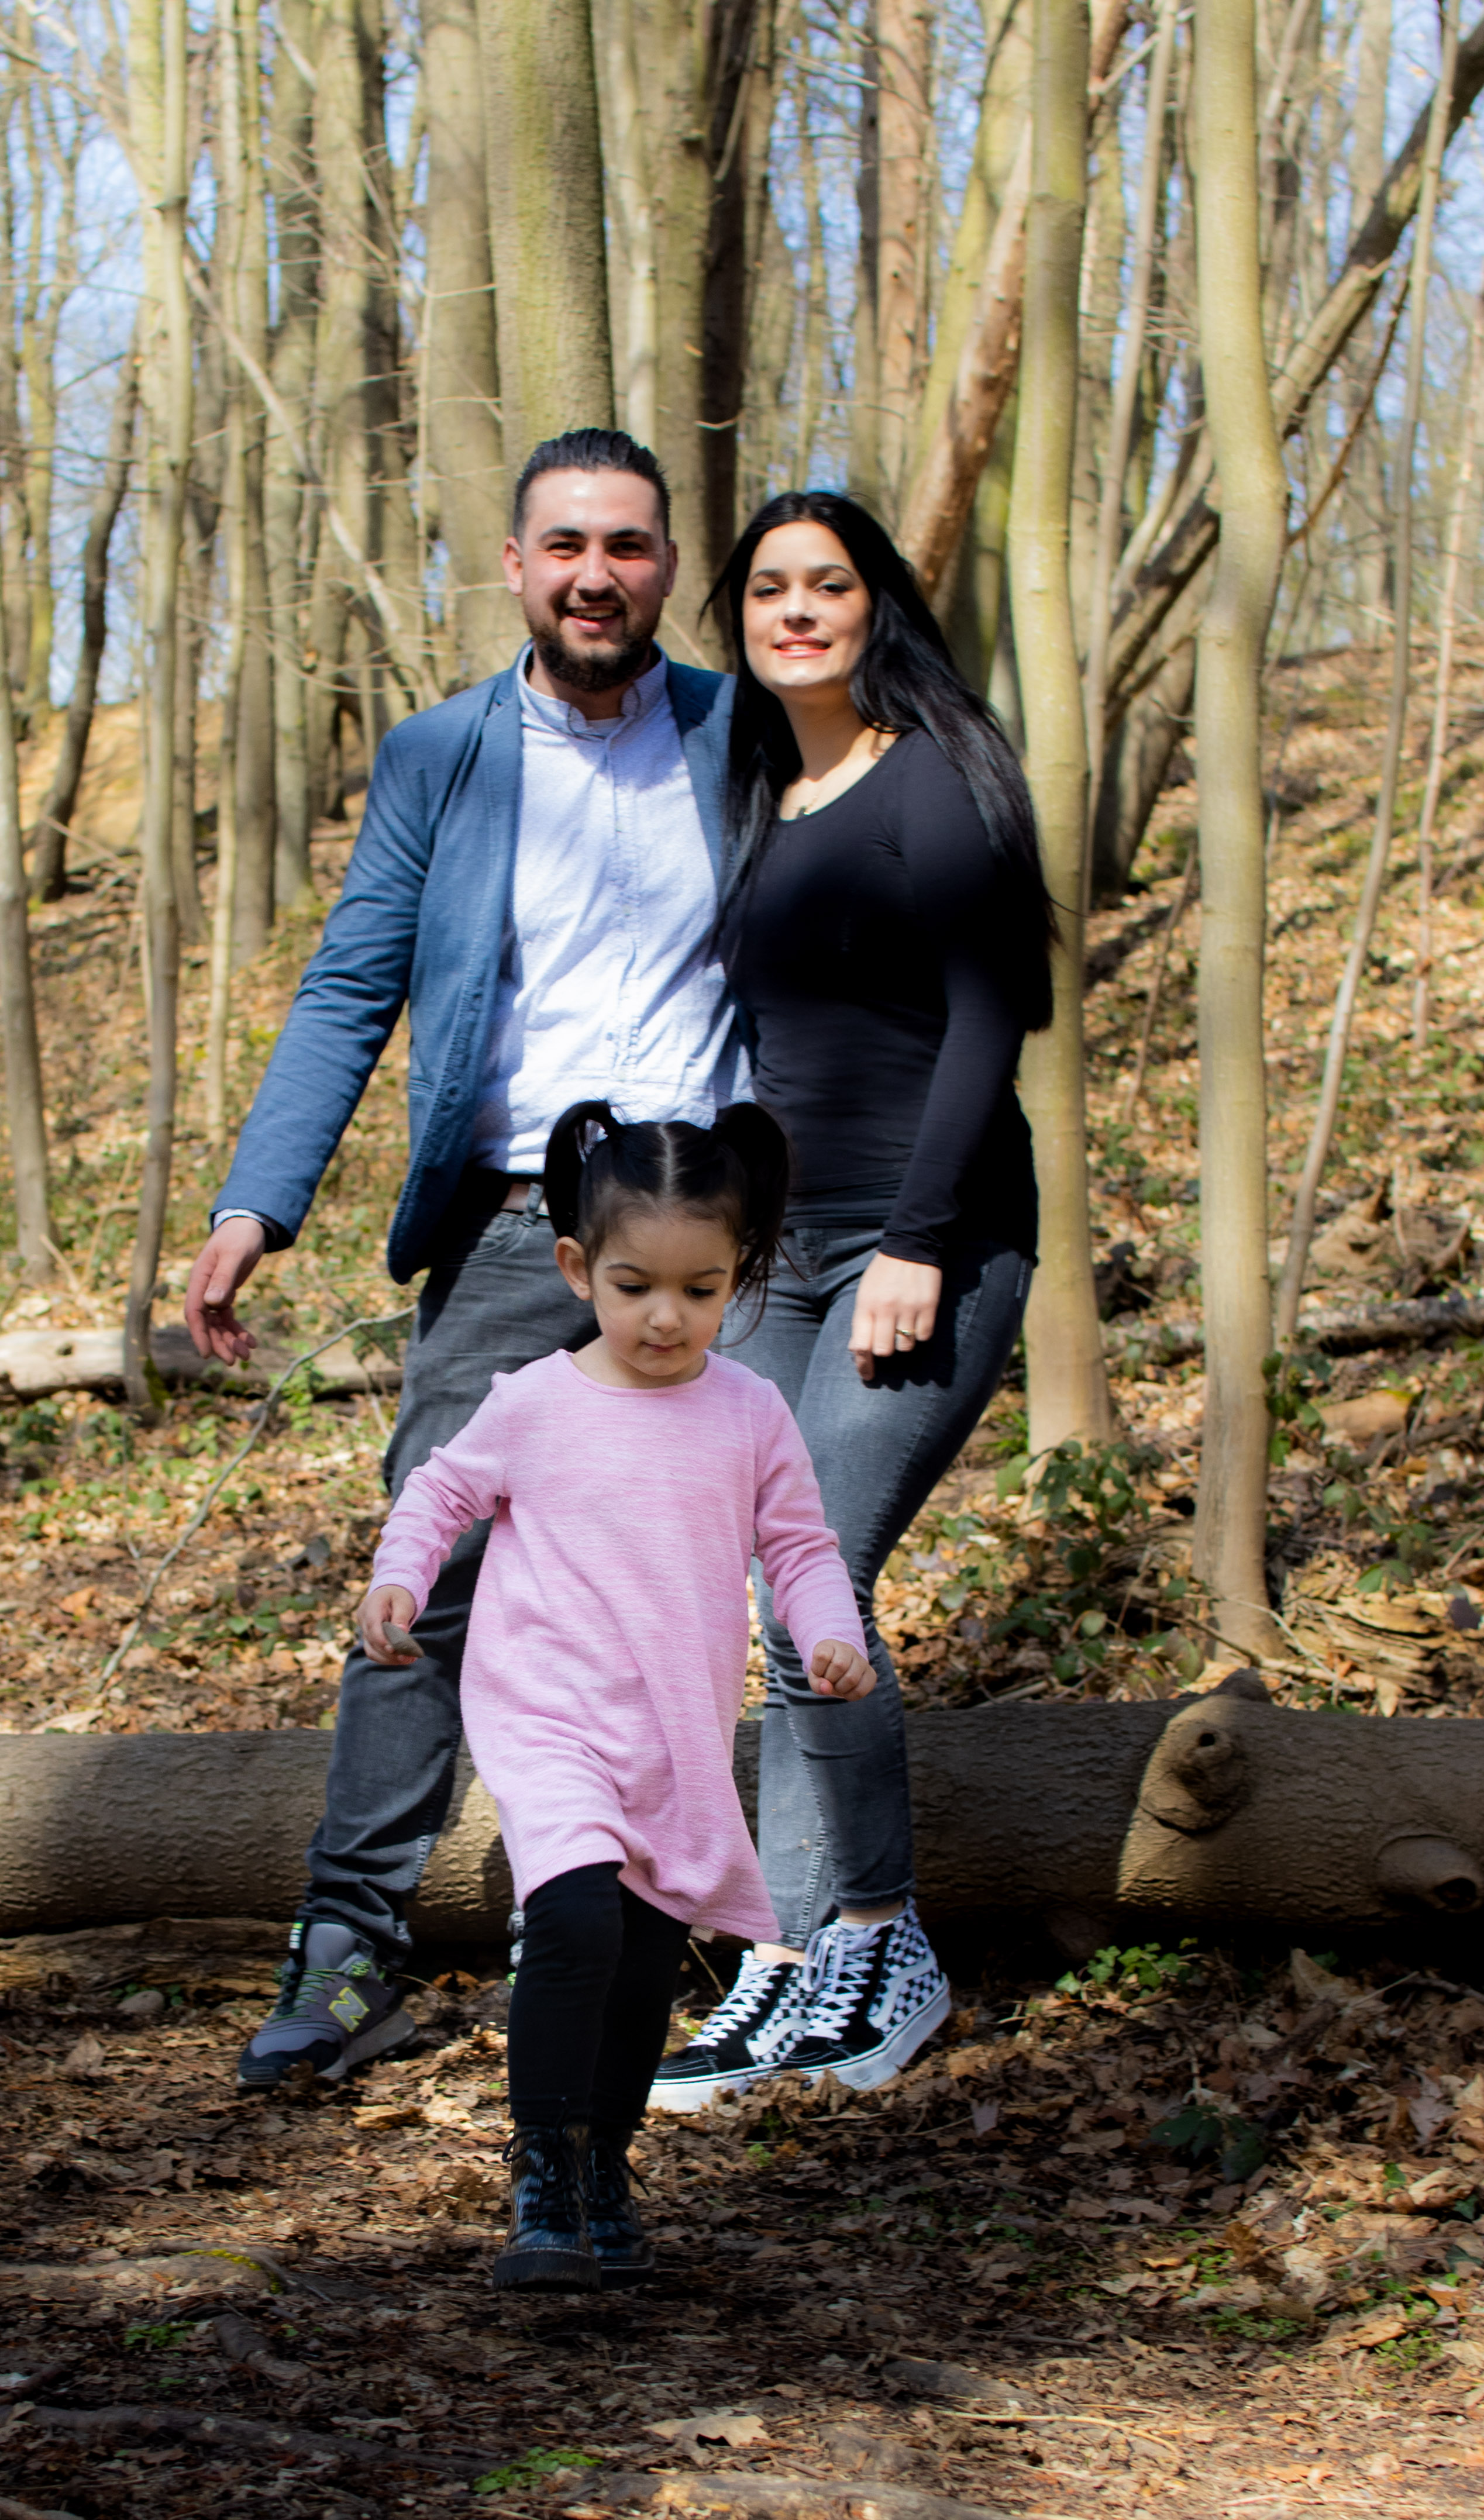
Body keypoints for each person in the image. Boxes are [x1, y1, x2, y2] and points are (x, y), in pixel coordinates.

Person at [185, 428, 753, 2094]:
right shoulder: (444, 753)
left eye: (631, 545)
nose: (597, 572)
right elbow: (352, 977)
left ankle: (679, 1933)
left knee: (715, 1584)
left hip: (723, 1227)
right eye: (565, 542)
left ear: (666, 563)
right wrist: (257, 1199)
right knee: (428, 1584)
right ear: (513, 565)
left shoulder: (741, 732)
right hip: (529, 1222)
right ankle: (350, 1940)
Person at [648, 491, 1056, 2111]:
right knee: (752, 1573)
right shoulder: (770, 788)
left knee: (812, 1568)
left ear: (878, 604)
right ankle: (782, 1955)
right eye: (768, 587)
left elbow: (986, 1016)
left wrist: (917, 1237)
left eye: (829, 583)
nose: (796, 608)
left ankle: (881, 1935)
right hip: (783, 1250)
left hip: (924, 1240)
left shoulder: (935, 776)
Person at [360, 1102, 874, 2290]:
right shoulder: (538, 1398)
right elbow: (438, 1494)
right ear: (579, 1268)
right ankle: (543, 2171)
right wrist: (398, 1579)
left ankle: (606, 2162)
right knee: (579, 1916)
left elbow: (798, 1546)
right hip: (548, 1715)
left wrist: (832, 1635)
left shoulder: (749, 1412)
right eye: (637, 1284)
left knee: (647, 1961)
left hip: (675, 1733)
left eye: (701, 1290)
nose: (666, 1317)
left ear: (737, 1278)